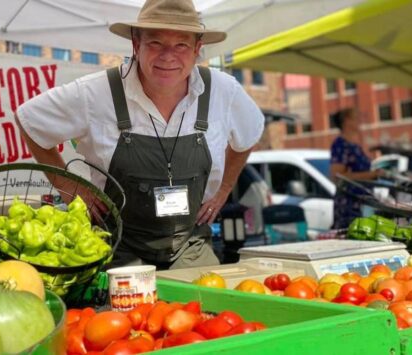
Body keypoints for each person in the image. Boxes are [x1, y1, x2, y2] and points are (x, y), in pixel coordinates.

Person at [15, 0, 264, 270]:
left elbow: (249, 134)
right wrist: (70, 188)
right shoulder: (96, 93)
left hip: (190, 246)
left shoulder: (223, 90)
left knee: (208, 307)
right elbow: (29, 120)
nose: (168, 56)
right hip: (116, 247)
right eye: (155, 43)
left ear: (197, 49)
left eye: (181, 44)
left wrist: (225, 188)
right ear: (136, 45)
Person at [330, 108, 383, 229]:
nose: (360, 121)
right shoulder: (340, 144)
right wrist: (371, 175)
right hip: (349, 204)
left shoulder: (355, 145)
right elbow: (337, 176)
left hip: (362, 202)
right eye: (356, 118)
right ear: (346, 121)